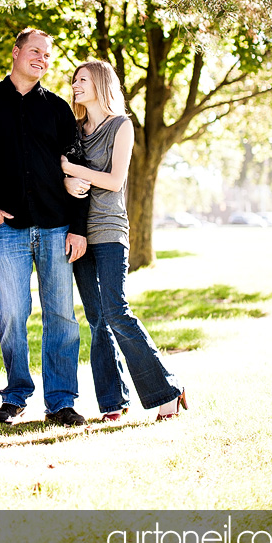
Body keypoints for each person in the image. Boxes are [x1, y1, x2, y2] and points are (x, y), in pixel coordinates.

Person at [0, 28, 89, 427]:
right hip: (9, 230)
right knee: (11, 313)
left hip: (56, 226)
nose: (42, 60)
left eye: (47, 56)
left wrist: (77, 228)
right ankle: (15, 396)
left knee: (61, 316)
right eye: (35, 51)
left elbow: (79, 172)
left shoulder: (60, 109)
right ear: (15, 53)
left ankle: (61, 401)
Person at [61, 60, 187, 422]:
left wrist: (70, 168)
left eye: (82, 79)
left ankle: (167, 389)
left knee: (116, 309)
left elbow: (115, 181)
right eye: (74, 80)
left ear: (101, 83)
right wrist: (65, 177)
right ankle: (113, 402)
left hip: (111, 230)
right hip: (80, 230)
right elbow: (59, 172)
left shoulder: (122, 126)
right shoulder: (74, 129)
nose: (75, 85)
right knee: (97, 317)